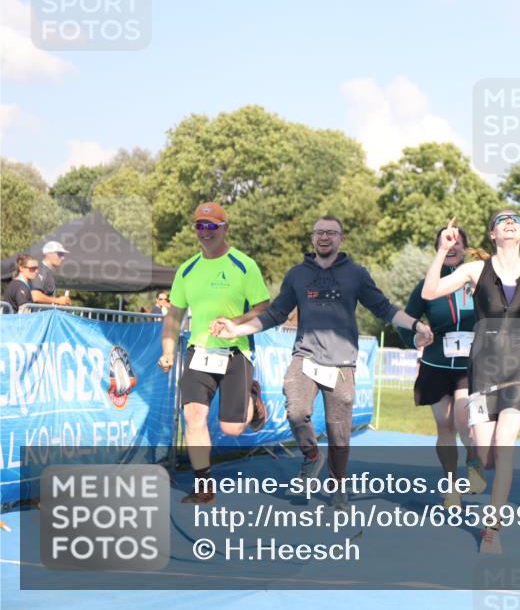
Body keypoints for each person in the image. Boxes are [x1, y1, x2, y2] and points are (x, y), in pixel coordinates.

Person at [213, 214, 433, 509]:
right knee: (296, 411)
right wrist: (237, 329)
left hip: (342, 364)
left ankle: (338, 486)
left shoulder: (356, 274)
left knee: (339, 433)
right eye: (319, 232)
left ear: (342, 239)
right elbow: (275, 314)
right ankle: (311, 454)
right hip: (305, 357)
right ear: (312, 238)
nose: (325, 237)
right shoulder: (297, 275)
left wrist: (416, 325)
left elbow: (384, 308)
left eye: (331, 232)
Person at [421, 210, 520, 554]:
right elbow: (430, 291)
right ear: (492, 234)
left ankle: (492, 529)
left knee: (506, 445)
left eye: (516, 220)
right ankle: (477, 465)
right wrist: (442, 250)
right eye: (501, 220)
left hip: (519, 370)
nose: (509, 222)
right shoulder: (474, 269)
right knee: (488, 455)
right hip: (482, 370)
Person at [158, 202, 271, 504]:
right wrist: (168, 350)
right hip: (200, 352)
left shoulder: (244, 265)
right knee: (193, 415)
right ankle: (204, 486)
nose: (205, 232)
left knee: (232, 429)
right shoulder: (187, 269)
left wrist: (235, 323)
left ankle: (252, 397)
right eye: (199, 226)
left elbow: (263, 306)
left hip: (236, 351)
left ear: (225, 228)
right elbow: (174, 315)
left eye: (211, 226)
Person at [400, 225, 487, 509]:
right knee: (444, 425)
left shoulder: (479, 280)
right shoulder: (427, 284)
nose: (451, 248)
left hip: (470, 364)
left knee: (464, 420)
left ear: (465, 248)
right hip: (436, 363)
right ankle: (451, 486)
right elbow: (406, 320)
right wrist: (415, 336)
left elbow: (507, 313)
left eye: (457, 243)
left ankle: (473, 462)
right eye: (445, 243)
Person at [30, 241, 71, 306]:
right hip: (36, 315)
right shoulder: (39, 270)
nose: (63, 258)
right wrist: (58, 300)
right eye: (60, 254)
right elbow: (35, 296)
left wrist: (59, 304)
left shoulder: (48, 271)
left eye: (63, 255)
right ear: (48, 254)